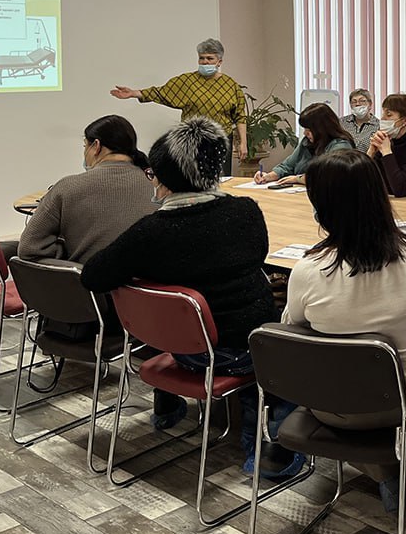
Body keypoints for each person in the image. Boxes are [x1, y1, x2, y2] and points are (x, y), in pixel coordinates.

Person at [80, 117, 302, 477]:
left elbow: (93, 276)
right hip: (245, 352)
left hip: (176, 348)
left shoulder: (149, 232)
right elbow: (257, 257)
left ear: (163, 178)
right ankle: (266, 446)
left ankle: (167, 410)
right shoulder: (246, 212)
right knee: (281, 341)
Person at [283, 149, 406, 509]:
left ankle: (389, 480)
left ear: (321, 207)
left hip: (334, 407)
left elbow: (292, 336)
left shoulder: (307, 271)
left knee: (354, 371)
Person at [18, 115, 155, 263]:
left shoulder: (67, 187)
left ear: (96, 146)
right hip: (150, 276)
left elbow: (29, 248)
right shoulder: (159, 186)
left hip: (89, 276)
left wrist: (70, 251)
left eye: (85, 146)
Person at [109, 38, 247, 175]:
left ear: (219, 62)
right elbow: (161, 92)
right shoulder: (187, 81)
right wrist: (133, 93)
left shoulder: (231, 85)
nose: (205, 62)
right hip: (192, 141)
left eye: (210, 58)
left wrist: (243, 143)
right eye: (201, 58)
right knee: (191, 179)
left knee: (221, 180)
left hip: (220, 141)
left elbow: (240, 116)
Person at [254, 103, 353, 186]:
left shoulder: (341, 146)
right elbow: (287, 166)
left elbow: (328, 176)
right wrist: (268, 176)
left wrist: (298, 179)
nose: (305, 133)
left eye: (309, 130)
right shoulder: (307, 142)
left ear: (322, 129)